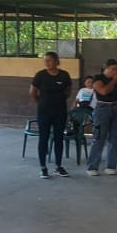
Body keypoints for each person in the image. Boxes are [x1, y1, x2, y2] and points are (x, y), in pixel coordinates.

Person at [30, 51, 75, 180]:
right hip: (44, 112)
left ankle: (58, 166)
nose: (47, 63)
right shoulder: (40, 75)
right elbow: (32, 92)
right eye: (45, 60)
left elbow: (68, 91)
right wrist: (42, 103)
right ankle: (43, 168)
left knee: (59, 138)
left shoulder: (64, 75)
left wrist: (59, 100)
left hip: (60, 111)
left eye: (49, 60)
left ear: (56, 61)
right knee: (43, 138)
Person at [86, 60, 117, 177]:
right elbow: (103, 91)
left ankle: (111, 166)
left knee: (114, 138)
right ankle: (92, 166)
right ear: (105, 68)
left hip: (116, 107)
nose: (115, 72)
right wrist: (114, 80)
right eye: (113, 69)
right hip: (102, 109)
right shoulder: (98, 78)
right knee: (99, 138)